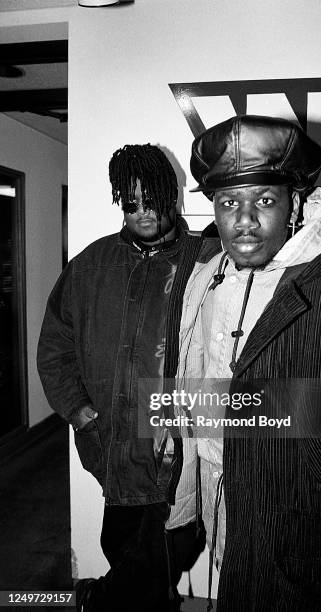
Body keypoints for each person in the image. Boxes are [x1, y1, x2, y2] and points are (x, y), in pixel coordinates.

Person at [167, 115, 321, 610]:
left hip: (301, 532)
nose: (244, 220)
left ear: (294, 205)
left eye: (264, 200)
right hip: (222, 502)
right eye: (229, 202)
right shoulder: (206, 279)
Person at [37, 144, 211, 612]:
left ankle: (97, 599)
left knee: (161, 558)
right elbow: (54, 350)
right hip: (112, 445)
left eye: (151, 198)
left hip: (181, 448)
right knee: (126, 549)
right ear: (119, 201)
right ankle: (101, 598)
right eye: (130, 202)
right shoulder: (90, 267)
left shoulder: (206, 260)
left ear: (170, 195)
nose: (143, 212)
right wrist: (81, 413)